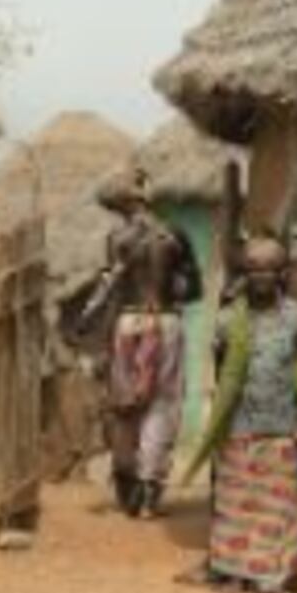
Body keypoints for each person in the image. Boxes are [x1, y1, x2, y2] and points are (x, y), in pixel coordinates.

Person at [181, 235, 297, 593]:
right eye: (251, 269)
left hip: (283, 426)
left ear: (282, 273)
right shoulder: (227, 321)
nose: (259, 277)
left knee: (279, 505)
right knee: (236, 504)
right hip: (240, 425)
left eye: (267, 269)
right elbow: (223, 372)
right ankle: (233, 571)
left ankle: (274, 575)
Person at [83, 167, 201, 518]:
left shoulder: (117, 239)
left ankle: (127, 485)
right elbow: (192, 290)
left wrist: (94, 332)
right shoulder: (175, 235)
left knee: (124, 407)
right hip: (165, 323)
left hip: (127, 323)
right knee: (163, 405)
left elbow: (109, 291)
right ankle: (151, 492)